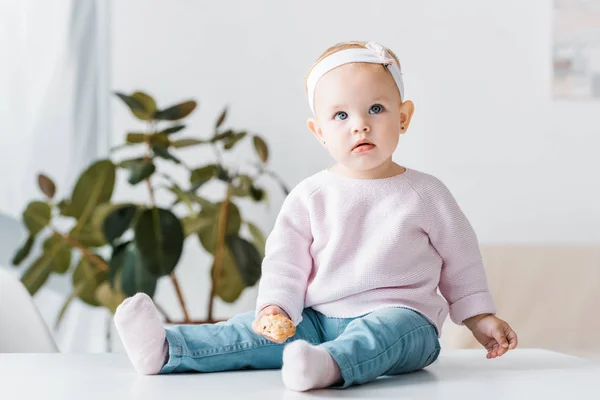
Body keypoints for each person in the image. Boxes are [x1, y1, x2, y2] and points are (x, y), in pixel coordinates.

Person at [114, 40, 518, 392]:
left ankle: (328, 366)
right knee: (246, 331)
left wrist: (478, 317)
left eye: (375, 108)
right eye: (341, 116)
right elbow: (285, 261)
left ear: (403, 116)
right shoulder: (310, 196)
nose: (360, 126)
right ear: (319, 131)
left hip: (406, 320)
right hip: (318, 320)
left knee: (380, 333)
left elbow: (461, 261)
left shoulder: (426, 193)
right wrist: (276, 307)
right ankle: (168, 349)